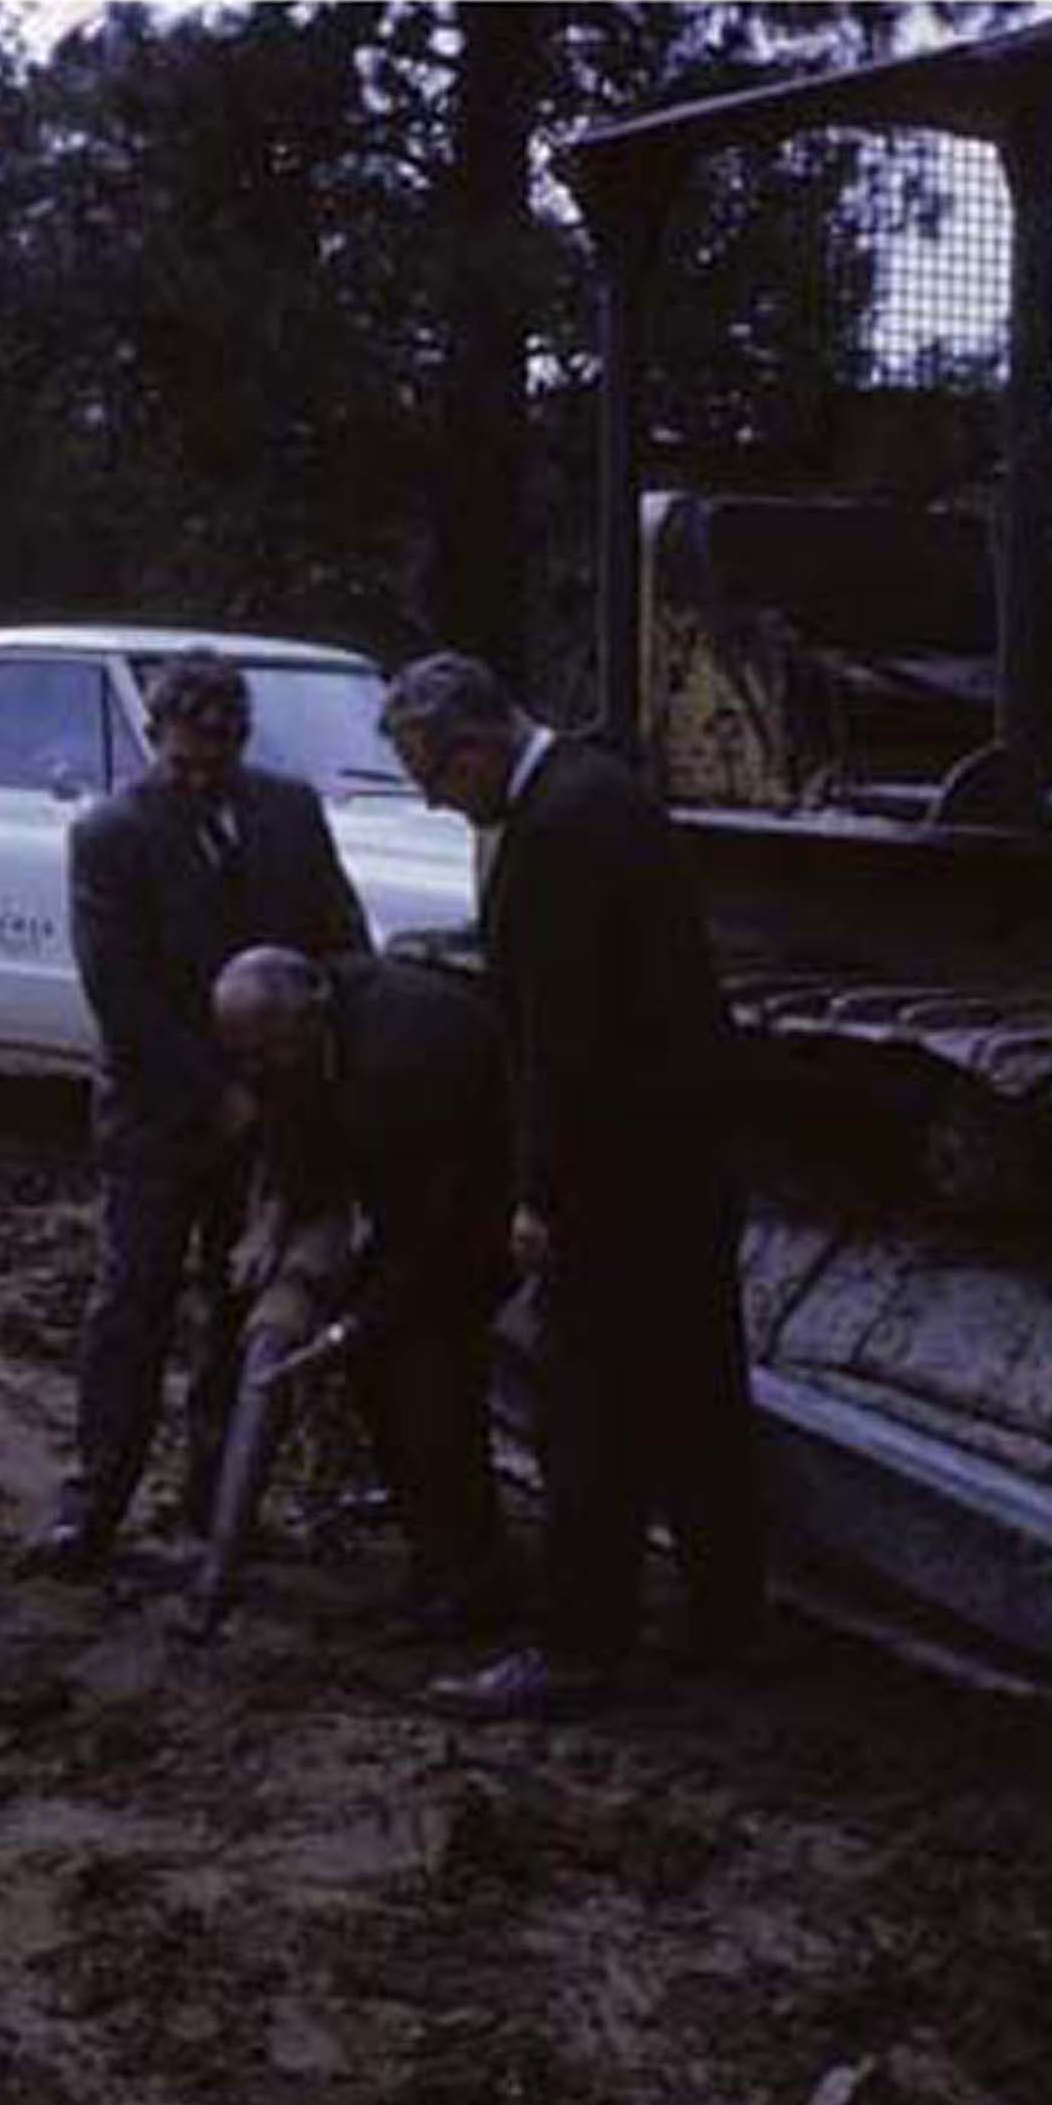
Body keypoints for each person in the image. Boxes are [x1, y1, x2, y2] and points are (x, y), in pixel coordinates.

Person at [375, 650, 769, 1715]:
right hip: (681, 1159)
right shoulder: (599, 792)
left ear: (478, 744)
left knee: (588, 1412)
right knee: (697, 1397)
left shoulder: (553, 832)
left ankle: (578, 1641)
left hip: (619, 1173)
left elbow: (562, 1039)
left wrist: (539, 1192)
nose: (431, 799)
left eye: (434, 776)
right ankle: (728, 1618)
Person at [37, 651, 370, 1579]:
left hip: (271, 1113)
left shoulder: (290, 814)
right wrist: (212, 1096)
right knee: (130, 1309)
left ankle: (216, 1506)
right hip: (155, 1118)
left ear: (240, 742)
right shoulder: (111, 835)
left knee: (240, 1310)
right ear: (154, 742)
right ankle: (94, 1503)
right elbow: (124, 997)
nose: (195, 780)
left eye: (212, 764)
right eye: (179, 764)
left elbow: (338, 938)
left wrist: (288, 1095)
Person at [204, 944, 520, 1636]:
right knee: (379, 1376)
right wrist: (274, 1219)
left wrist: (352, 1328)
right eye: (243, 1059)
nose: (254, 1073)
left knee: (430, 1379)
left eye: (266, 1054)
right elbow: (290, 1114)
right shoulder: (297, 1035)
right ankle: (433, 1556)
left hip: (488, 1204)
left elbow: (433, 1238)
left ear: (312, 1018)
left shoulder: (409, 1059)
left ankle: (473, 1582)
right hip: (414, 1199)